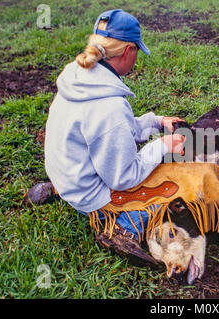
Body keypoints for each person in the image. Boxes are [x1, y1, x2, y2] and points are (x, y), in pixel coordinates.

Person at [26, 10, 186, 264]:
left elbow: (116, 129)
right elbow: (123, 177)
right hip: (88, 196)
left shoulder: (78, 76)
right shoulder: (109, 105)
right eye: (137, 52)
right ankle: (122, 228)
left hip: (66, 174)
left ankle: (57, 189)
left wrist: (156, 122)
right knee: (171, 193)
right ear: (128, 50)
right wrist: (163, 145)